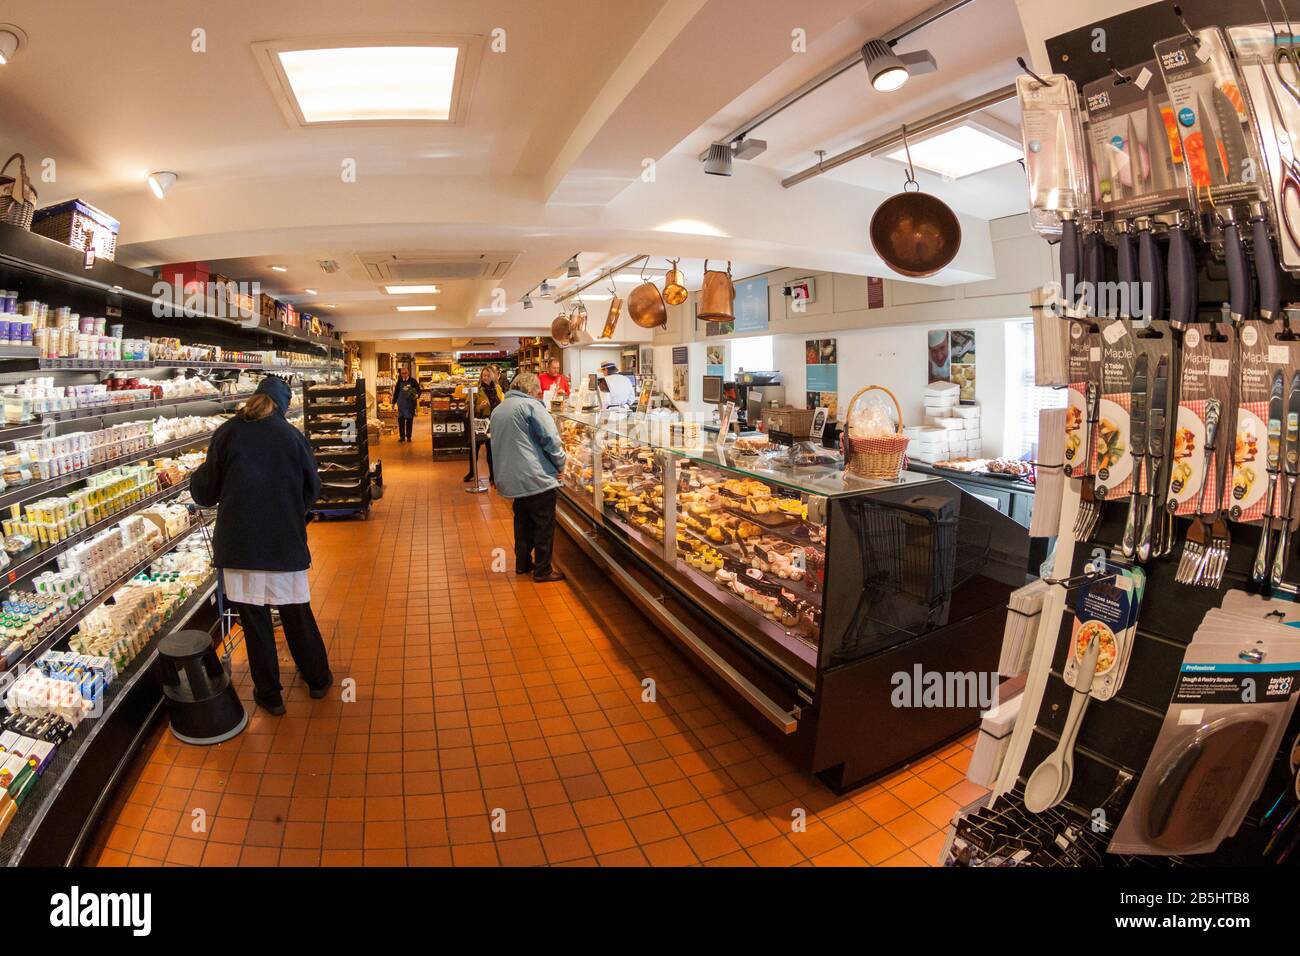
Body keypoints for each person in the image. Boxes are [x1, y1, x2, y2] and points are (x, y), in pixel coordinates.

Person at [189, 376, 332, 715]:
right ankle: (317, 679)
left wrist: (197, 477)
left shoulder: (227, 432)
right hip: (283, 542)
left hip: (240, 543)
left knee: (254, 620)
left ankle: (270, 695)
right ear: (282, 405)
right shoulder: (292, 437)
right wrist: (291, 510)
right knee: (296, 611)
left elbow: (206, 490)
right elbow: (313, 488)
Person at [489, 370, 567, 583]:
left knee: (522, 522)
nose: (540, 395)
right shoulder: (531, 406)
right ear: (533, 391)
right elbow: (551, 439)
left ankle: (522, 564)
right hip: (536, 477)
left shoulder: (499, 409)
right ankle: (543, 570)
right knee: (544, 524)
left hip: (512, 477)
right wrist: (561, 464)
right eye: (539, 392)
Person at [464, 365, 503, 484]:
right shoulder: (476, 388)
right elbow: (467, 405)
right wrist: (478, 407)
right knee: (474, 449)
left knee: (490, 449)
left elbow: (501, 402)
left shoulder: (497, 388)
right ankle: (472, 472)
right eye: (483, 375)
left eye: (487, 375)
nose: (485, 378)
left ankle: (492, 475)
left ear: (492, 376)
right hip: (479, 422)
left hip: (493, 422)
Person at [391, 367, 421, 442]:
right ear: (401, 374)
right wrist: (393, 403)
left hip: (410, 404)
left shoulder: (413, 381)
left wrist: (417, 395)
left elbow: (418, 390)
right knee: (401, 421)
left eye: (405, 373)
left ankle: (409, 437)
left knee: (409, 421)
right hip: (401, 405)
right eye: (402, 374)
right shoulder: (399, 381)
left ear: (408, 373)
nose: (404, 375)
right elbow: (396, 393)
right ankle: (402, 437)